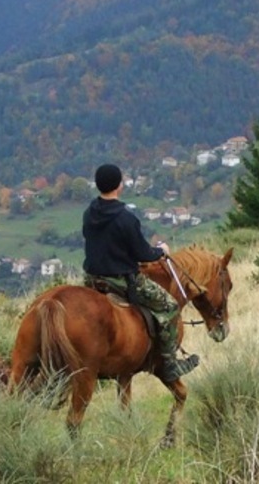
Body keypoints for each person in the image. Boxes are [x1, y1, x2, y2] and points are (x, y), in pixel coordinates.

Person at [82, 163, 199, 383]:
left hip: (91, 280)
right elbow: (142, 253)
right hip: (122, 281)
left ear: (98, 185)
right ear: (119, 185)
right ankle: (169, 364)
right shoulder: (126, 218)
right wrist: (161, 251)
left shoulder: (89, 214)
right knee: (170, 306)